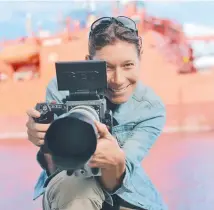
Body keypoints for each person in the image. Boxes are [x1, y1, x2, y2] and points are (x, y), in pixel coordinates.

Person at [26, 16, 167, 210]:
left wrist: (114, 160)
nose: (118, 80)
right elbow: (55, 166)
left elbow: (118, 178)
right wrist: (43, 137)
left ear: (139, 60)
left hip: (129, 193)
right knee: (74, 189)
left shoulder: (151, 108)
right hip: (71, 177)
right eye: (107, 67)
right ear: (89, 63)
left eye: (128, 65)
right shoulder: (60, 89)